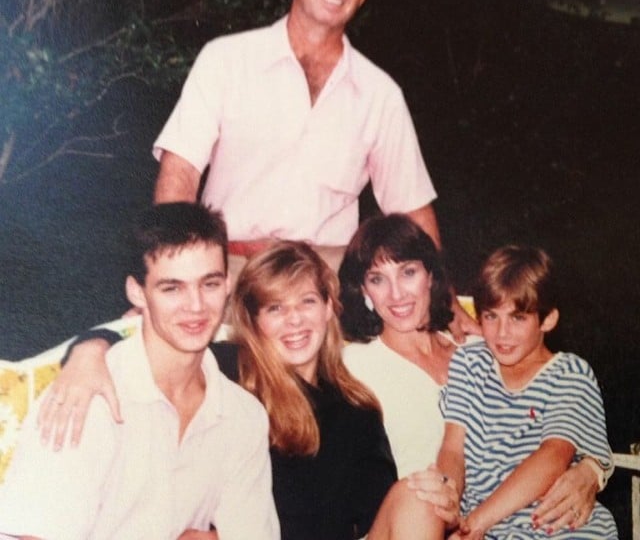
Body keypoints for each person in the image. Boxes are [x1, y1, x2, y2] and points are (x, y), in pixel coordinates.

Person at [151, 0, 476, 334]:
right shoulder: (226, 60)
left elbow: (413, 210)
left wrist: (445, 305)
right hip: (232, 277)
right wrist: (167, 283)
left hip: (327, 287)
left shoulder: (380, 95)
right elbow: (179, 175)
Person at [38, 240, 400, 540]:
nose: (295, 321)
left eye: (306, 302)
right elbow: (151, 345)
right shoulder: (226, 369)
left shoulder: (358, 412)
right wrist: (89, 349)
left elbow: (380, 521)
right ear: (255, 321)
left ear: (328, 307)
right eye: (275, 308)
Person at [0, 203, 279, 540]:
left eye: (209, 284)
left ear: (228, 284)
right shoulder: (85, 398)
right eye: (172, 288)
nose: (196, 305)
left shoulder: (243, 416)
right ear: (137, 292)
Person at [338, 214, 610, 534]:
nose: (396, 294)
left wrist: (592, 470)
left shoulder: (479, 349)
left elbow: (561, 428)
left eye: (408, 272)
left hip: (498, 522)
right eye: (377, 279)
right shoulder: (352, 364)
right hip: (413, 519)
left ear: (430, 275)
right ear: (364, 290)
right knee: (421, 498)